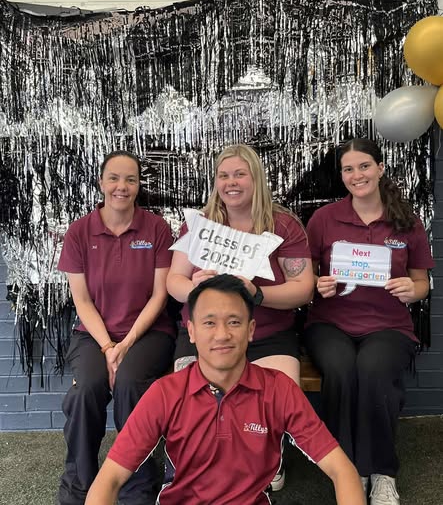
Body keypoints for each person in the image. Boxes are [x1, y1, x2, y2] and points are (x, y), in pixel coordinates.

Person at [85, 274, 366, 505]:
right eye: (209, 323)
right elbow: (109, 479)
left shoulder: (279, 390)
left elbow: (343, 471)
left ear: (251, 329)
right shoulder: (165, 394)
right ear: (191, 331)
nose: (222, 334)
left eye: (234, 322)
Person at [166, 143, 314, 490]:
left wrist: (256, 294)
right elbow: (174, 281)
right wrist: (198, 289)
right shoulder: (200, 225)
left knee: (279, 393)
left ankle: (265, 459)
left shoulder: (283, 224)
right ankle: (202, 466)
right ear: (216, 181)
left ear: (256, 178)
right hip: (206, 336)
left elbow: (303, 288)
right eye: (223, 175)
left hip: (266, 334)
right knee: (192, 399)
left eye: (239, 174)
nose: (231, 182)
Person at [304, 138, 434, 505]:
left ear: (379, 168)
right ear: (341, 176)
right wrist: (318, 283)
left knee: (373, 370)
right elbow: (306, 276)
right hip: (330, 323)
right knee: (341, 371)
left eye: (364, 166)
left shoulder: (406, 220)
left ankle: (381, 472)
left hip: (388, 325)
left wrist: (414, 289)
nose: (356, 175)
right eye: (348, 169)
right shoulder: (324, 218)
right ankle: (349, 470)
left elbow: (422, 282)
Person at [57, 150, 176, 505]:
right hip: (94, 335)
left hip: (149, 332)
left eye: (130, 179)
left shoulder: (157, 229)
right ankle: (80, 483)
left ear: (139, 186)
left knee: (129, 384)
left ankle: (138, 485)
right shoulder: (80, 232)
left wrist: (126, 346)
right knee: (85, 391)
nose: (121, 186)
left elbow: (159, 297)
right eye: (114, 178)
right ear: (101, 182)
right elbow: (82, 301)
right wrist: (109, 347)